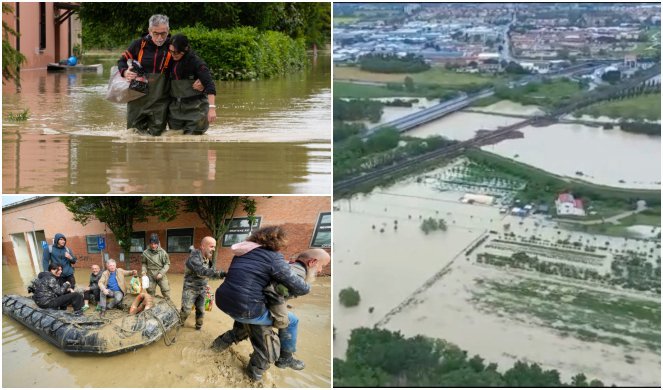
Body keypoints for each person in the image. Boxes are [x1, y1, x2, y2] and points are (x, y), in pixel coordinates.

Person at [211, 226, 312, 381]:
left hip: (224, 301)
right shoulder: (274, 258)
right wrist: (308, 282)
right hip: (247, 309)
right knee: (291, 321)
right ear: (277, 243)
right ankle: (270, 367)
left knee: (243, 328)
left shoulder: (242, 253)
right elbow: (301, 288)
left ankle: (215, 347)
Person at [167, 34, 217, 135]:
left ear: (185, 49)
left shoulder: (196, 62)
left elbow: (210, 85)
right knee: (175, 139)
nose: (173, 54)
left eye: (176, 52)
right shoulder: (169, 61)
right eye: (171, 51)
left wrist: (212, 109)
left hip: (196, 109)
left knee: (194, 141)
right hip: (175, 110)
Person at [180, 236, 225, 330]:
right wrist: (221, 274)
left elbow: (208, 272)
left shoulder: (208, 258)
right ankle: (180, 323)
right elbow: (201, 271)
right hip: (191, 289)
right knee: (186, 310)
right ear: (203, 246)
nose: (213, 249)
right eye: (211, 246)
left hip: (202, 289)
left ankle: (198, 325)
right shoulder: (193, 258)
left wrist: (206, 283)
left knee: (201, 310)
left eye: (214, 247)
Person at [141, 233, 171, 300]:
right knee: (150, 292)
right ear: (149, 244)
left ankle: (168, 305)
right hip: (150, 274)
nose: (153, 246)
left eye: (155, 244)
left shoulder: (163, 253)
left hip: (160, 274)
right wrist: (143, 270)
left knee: (166, 290)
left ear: (158, 243)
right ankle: (151, 307)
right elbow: (144, 263)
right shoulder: (145, 253)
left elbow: (167, 264)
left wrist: (161, 273)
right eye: (151, 244)